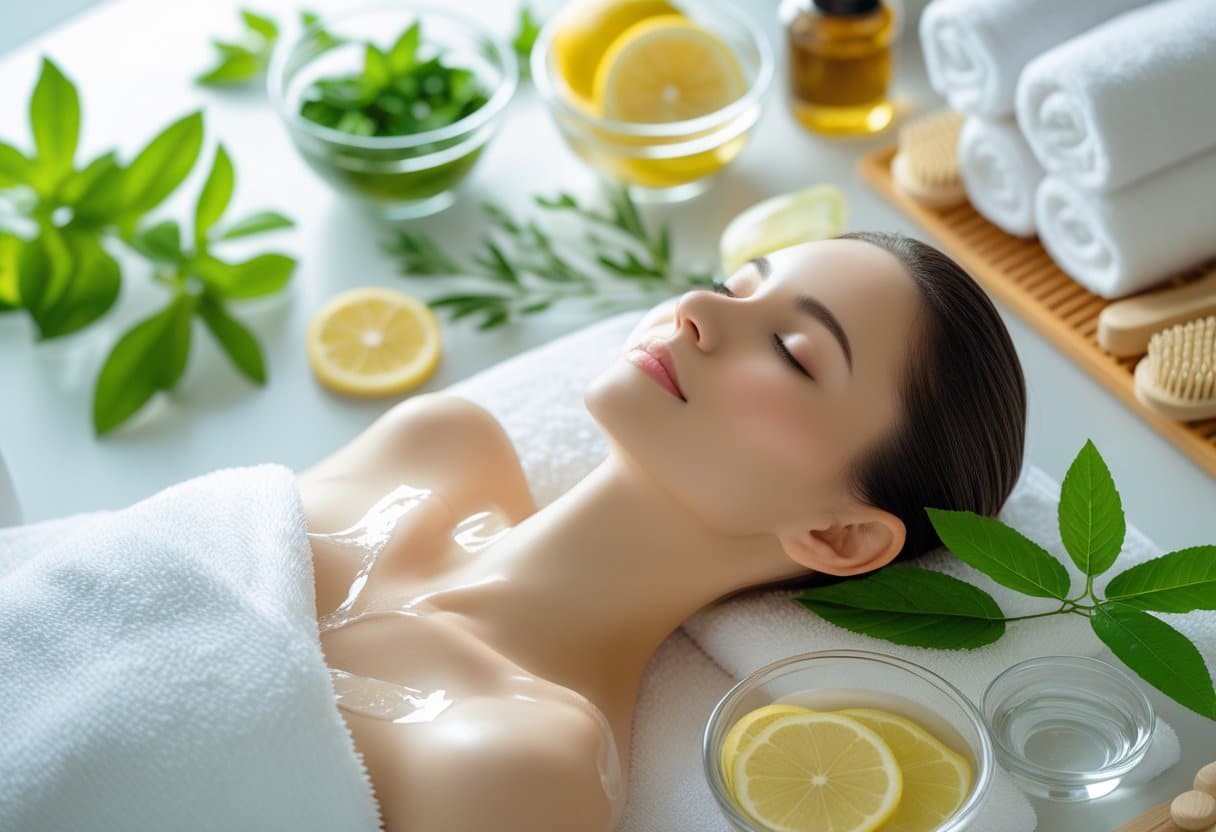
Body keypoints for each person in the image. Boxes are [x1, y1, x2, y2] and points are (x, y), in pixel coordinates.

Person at [296, 231, 1027, 832]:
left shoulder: (524, 767)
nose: (699, 309)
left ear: (838, 537)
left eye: (791, 352)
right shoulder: (436, 447)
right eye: (734, 284)